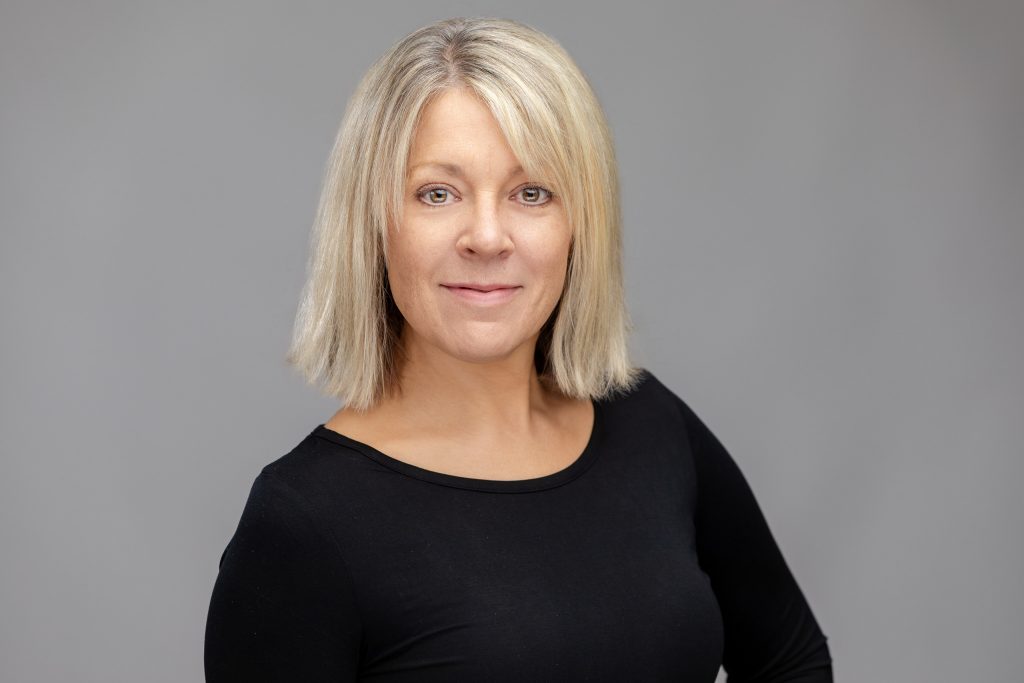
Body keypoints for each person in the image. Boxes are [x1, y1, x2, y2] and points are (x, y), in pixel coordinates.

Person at [203, 17, 833, 682]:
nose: (486, 236)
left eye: (531, 192)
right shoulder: (302, 521)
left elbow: (790, 662)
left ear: (577, 225)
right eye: (437, 193)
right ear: (374, 223)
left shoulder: (650, 424)